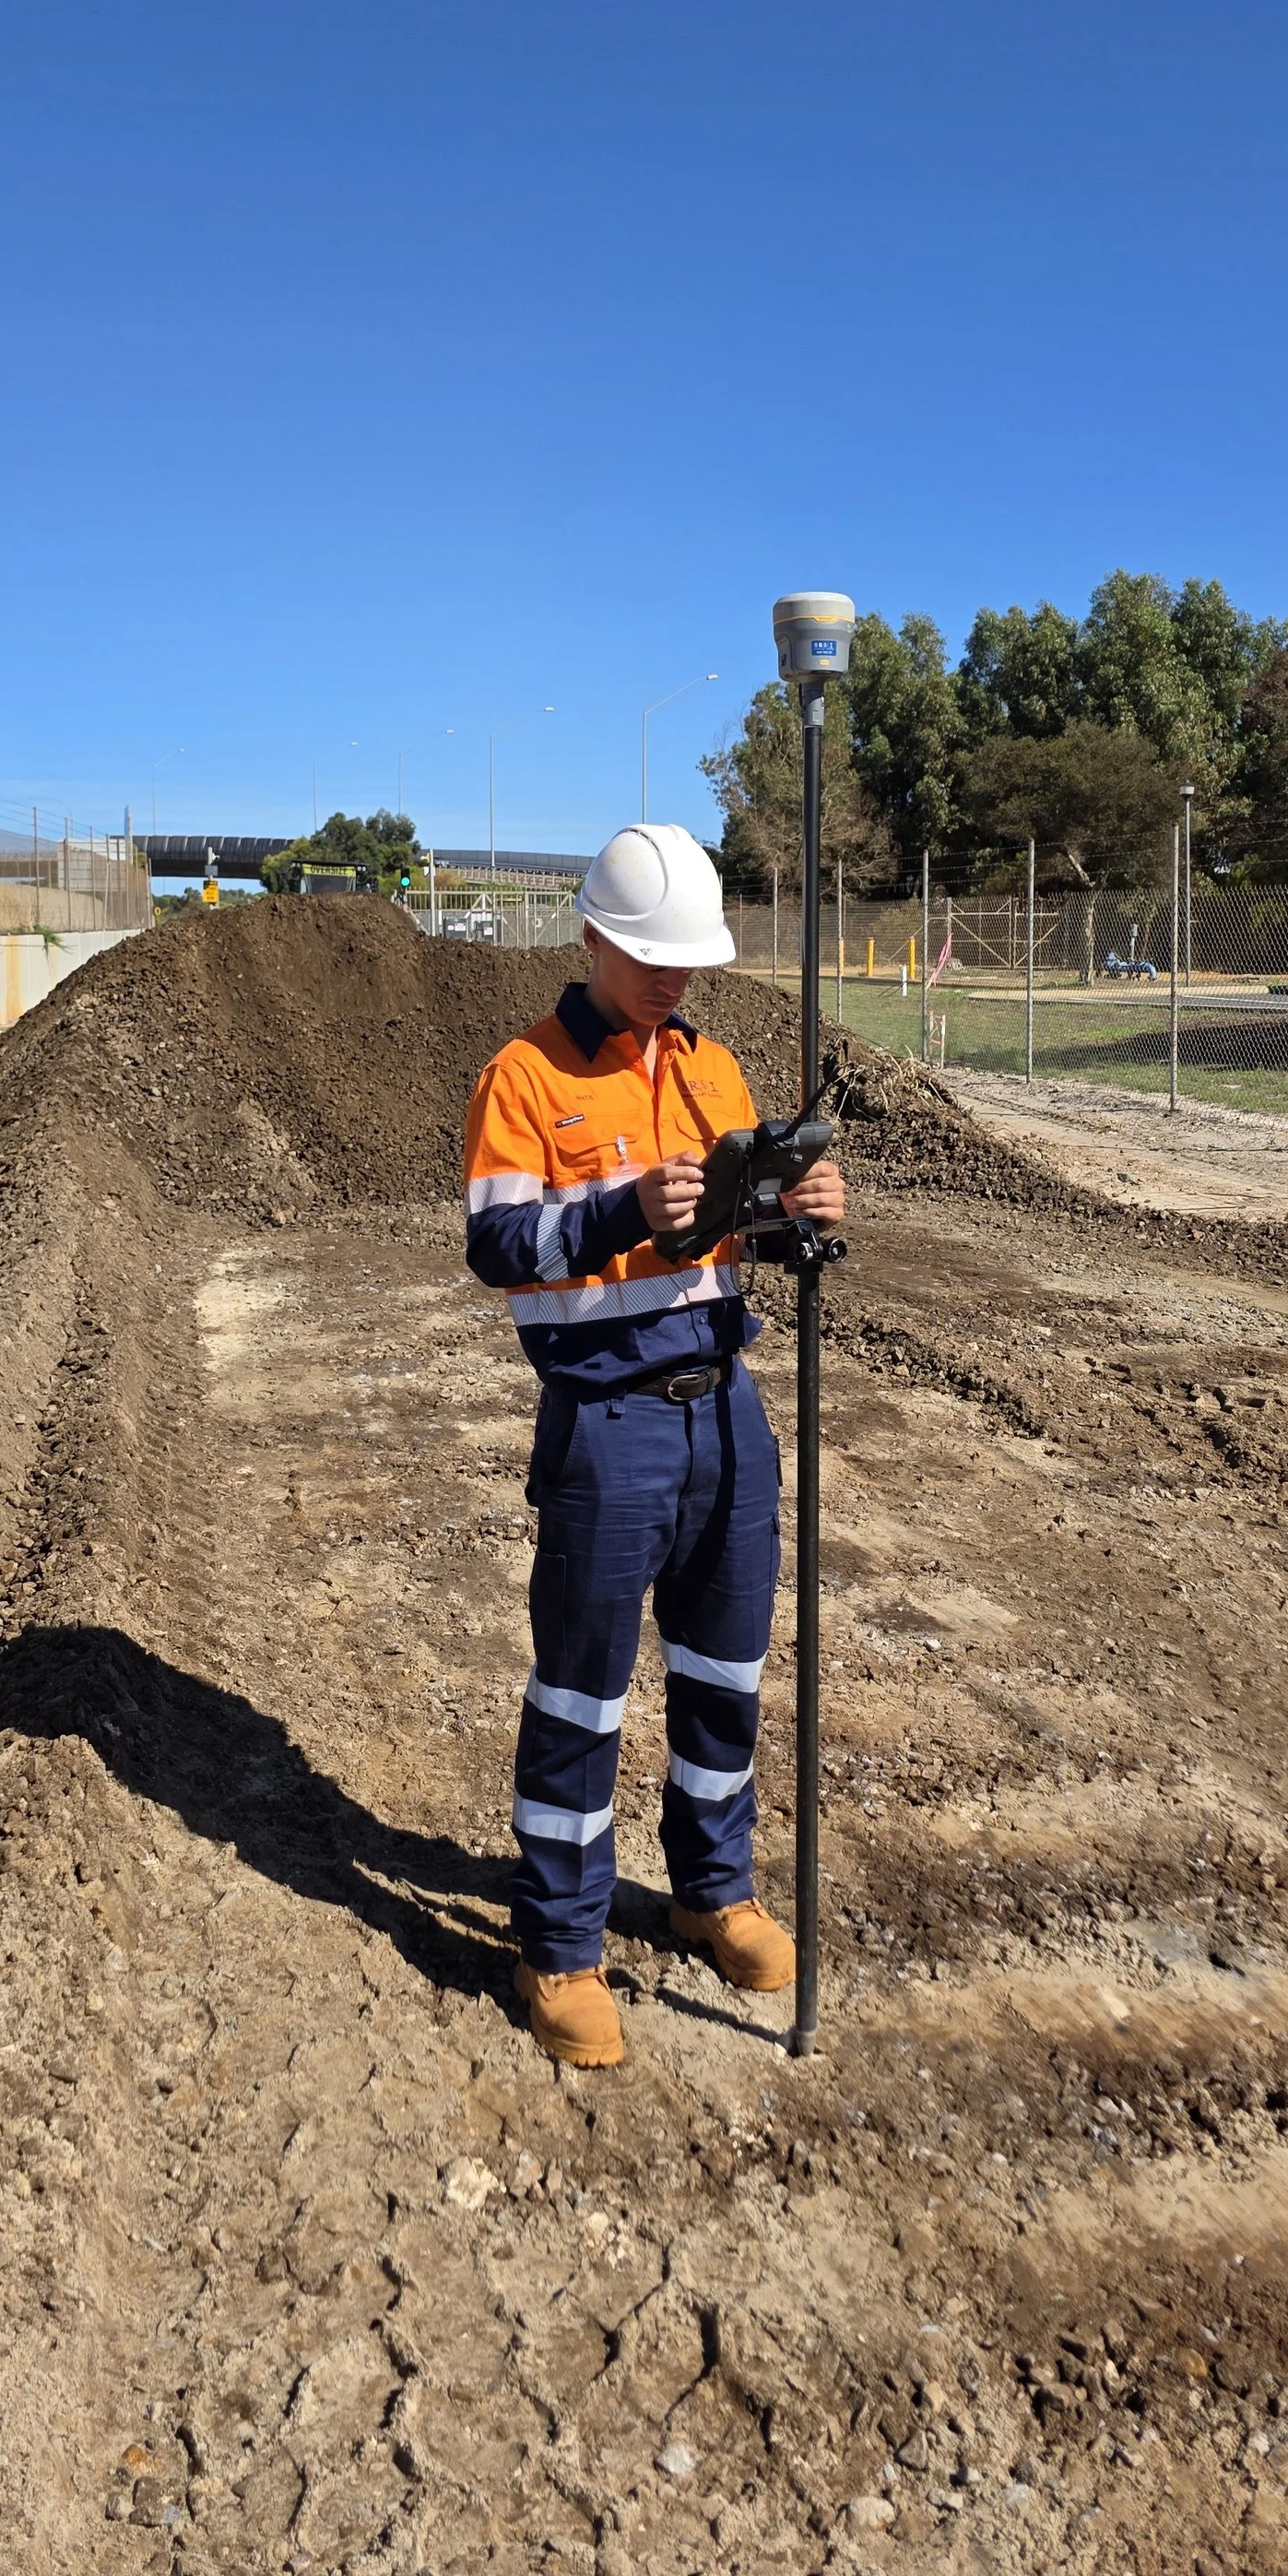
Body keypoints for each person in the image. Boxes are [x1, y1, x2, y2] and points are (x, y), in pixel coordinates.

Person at [461, 823, 845, 2067]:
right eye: (650, 958)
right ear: (593, 938)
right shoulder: (524, 1078)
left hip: (726, 1407)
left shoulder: (716, 1070)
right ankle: (562, 1950)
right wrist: (625, 1208)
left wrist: (800, 1216)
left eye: (688, 959)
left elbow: (744, 1234)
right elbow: (496, 1246)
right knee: (581, 1695)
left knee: (726, 1676)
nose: (672, 979)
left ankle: (711, 1895)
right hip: (605, 1421)